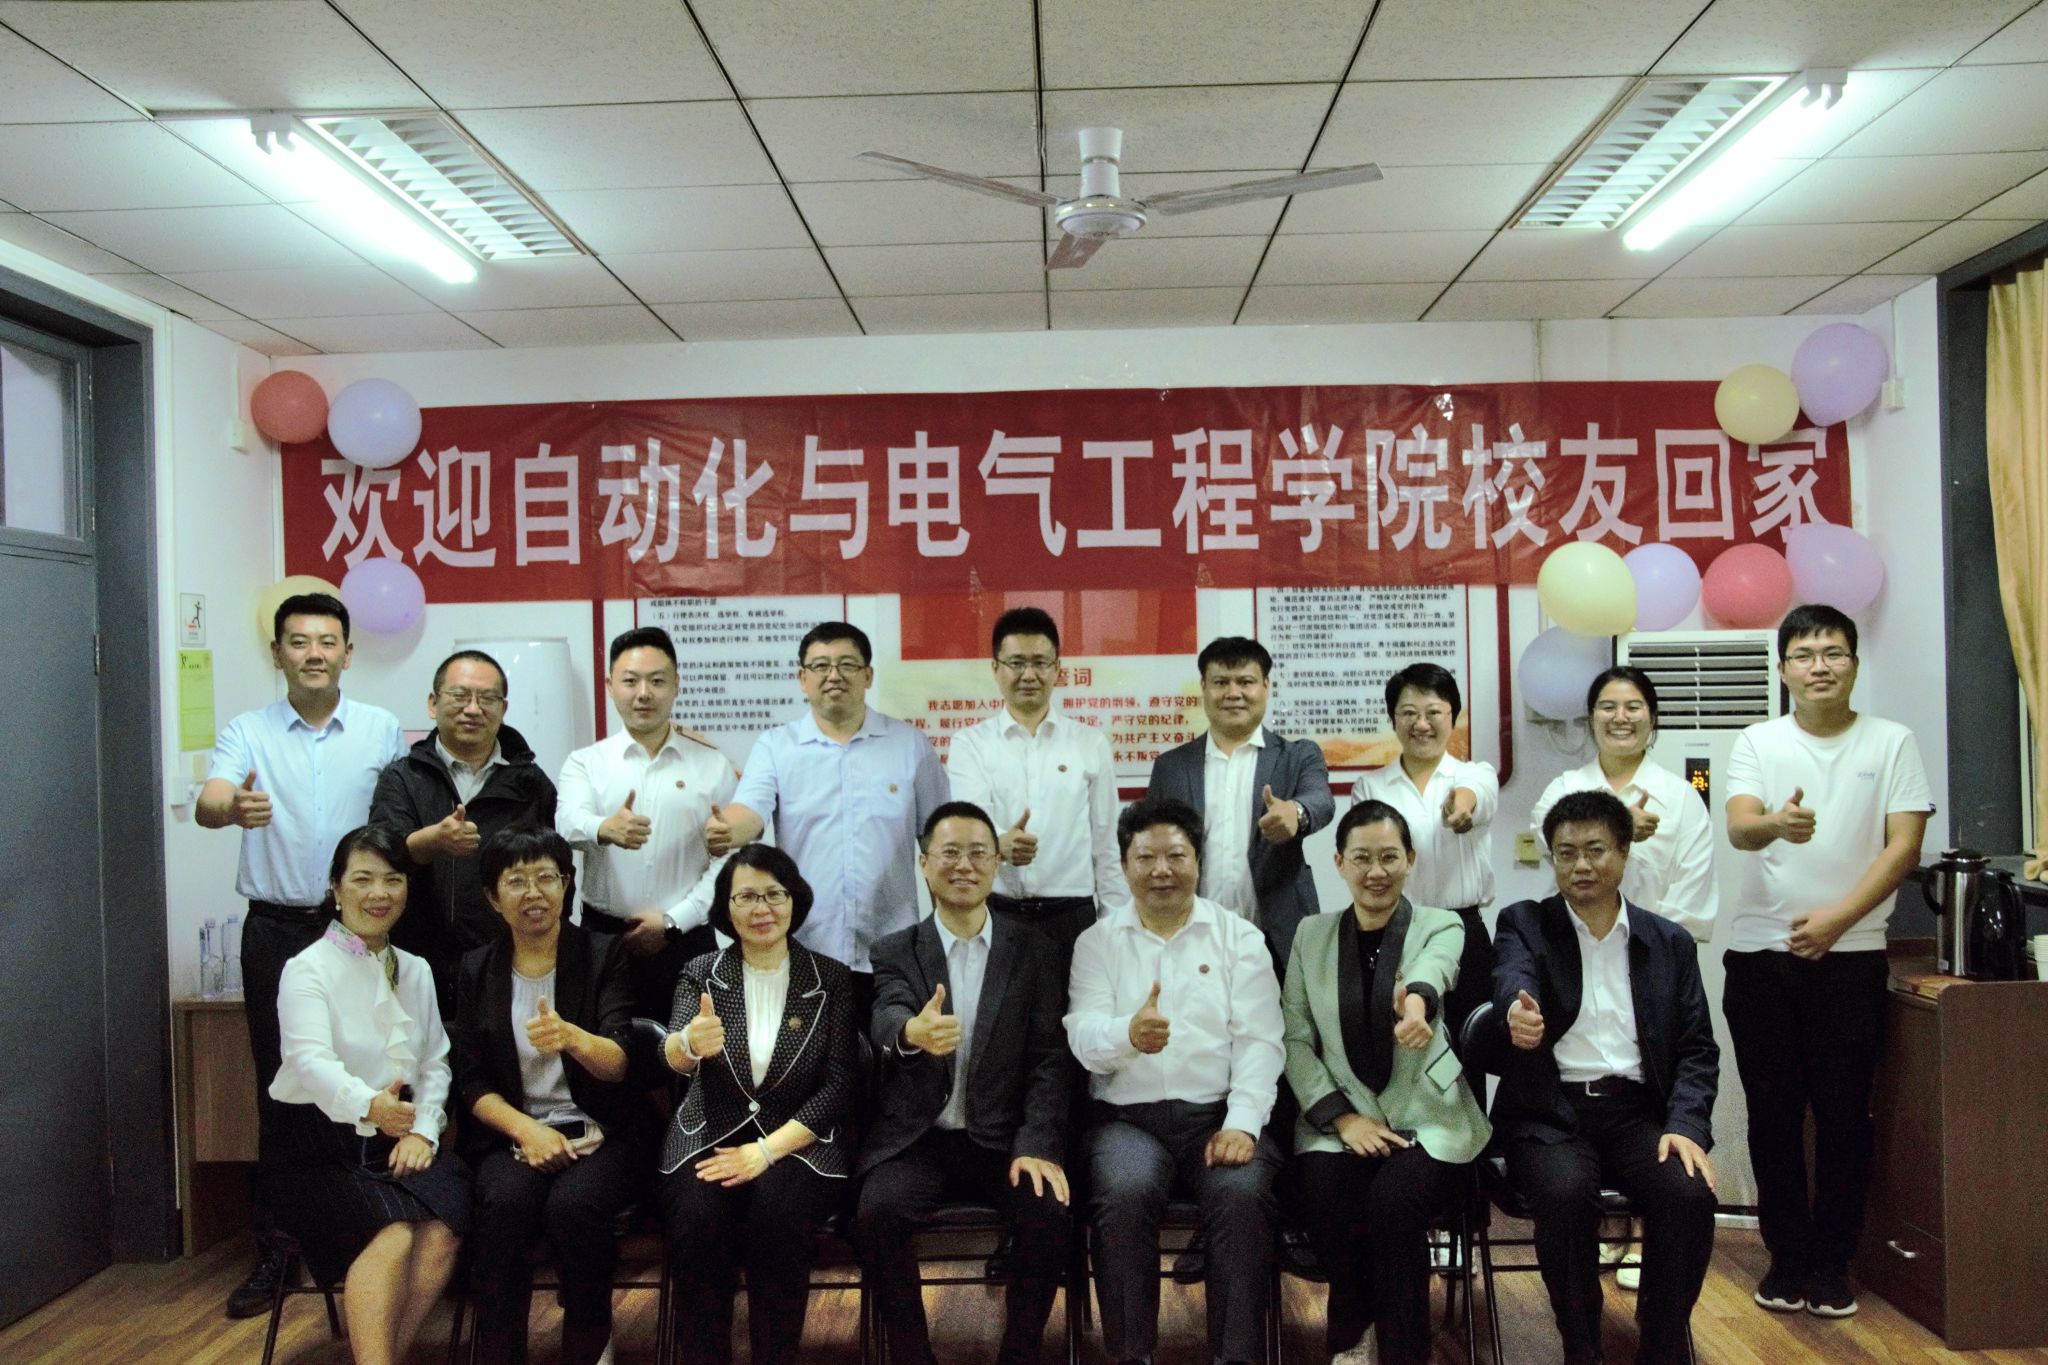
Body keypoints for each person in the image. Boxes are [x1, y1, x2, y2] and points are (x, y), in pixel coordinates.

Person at [195, 592, 407, 1317]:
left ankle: (375, 1238)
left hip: (363, 929)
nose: (313, 653)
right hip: (279, 933)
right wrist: (231, 807)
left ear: (348, 652)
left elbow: (400, 820)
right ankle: (279, 1253)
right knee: (284, 1091)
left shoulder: (380, 729)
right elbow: (210, 798)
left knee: (375, 1079)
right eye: (298, 641)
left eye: (326, 641)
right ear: (278, 652)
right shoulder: (248, 730)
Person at [1722, 604, 1932, 1319]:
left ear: (1854, 664)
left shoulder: (1892, 740)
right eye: (1805, 655)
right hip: (1762, 957)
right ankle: (1785, 1258)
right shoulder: (1758, 739)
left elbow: (1904, 846)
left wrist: (1838, 921)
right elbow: (1740, 826)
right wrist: (1776, 823)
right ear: (1782, 669)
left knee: (1846, 1117)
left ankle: (1833, 1263)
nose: (1820, 666)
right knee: (1773, 1116)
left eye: (1834, 653)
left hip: (1852, 958)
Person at [1492, 790, 1720, 1365]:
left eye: (1595, 850)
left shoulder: (1668, 941)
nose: (1581, 865)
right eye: (1565, 853)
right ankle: (1583, 1344)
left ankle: (1662, 1341)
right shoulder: (1525, 923)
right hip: (1551, 1112)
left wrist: (1686, 1125)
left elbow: (1697, 1048)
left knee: (1689, 1195)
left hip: (1638, 1113)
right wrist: (1516, 1011)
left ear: (1624, 851)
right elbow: (1512, 976)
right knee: (1565, 1194)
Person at [1065, 795, 1286, 1365]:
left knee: (1242, 1194)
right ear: (1124, 865)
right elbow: (1083, 1035)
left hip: (1218, 1116)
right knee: (1123, 1192)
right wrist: (1127, 1035)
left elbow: (1261, 1041)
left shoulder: (1240, 938)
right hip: (1127, 1122)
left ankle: (1236, 1358)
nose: (1161, 870)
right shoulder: (1096, 943)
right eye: (1146, 858)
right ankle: (1131, 1355)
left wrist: (1243, 1124)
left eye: (1176, 856)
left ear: (1198, 861)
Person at [856, 801, 1073, 1365]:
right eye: (949, 852)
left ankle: (1019, 1357)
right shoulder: (896, 949)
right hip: (920, 1139)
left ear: (997, 863)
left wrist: (1037, 1143)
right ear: (924, 864)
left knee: (1048, 1213)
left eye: (979, 853)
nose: (964, 865)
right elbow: (887, 1013)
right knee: (877, 1213)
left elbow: (1049, 1060)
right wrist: (911, 1032)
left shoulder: (1035, 950)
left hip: (1003, 1142)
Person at [1282, 800, 1491, 1365]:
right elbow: (1295, 1039)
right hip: (1341, 1117)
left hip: (1428, 1115)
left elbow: (1433, 969)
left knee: (1394, 1202)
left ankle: (1402, 1352)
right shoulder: (1310, 935)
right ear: (1339, 863)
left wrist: (1416, 1005)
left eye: (1389, 857)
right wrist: (1343, 1119)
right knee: (1324, 1193)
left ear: (1410, 860)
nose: (1376, 871)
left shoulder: (1441, 923)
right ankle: (1355, 1336)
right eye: (1362, 858)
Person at [264, 825, 470, 1365]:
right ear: (336, 889)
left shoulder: (416, 969)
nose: (379, 893)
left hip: (398, 1134)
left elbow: (435, 1062)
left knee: (444, 1229)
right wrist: (369, 1106)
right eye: (362, 879)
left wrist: (424, 1130)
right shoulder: (305, 969)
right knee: (394, 1233)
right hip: (318, 1144)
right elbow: (310, 1063)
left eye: (393, 879)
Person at [453, 826, 653, 1365]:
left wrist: (572, 1038)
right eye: (516, 881)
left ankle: (589, 1344)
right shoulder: (476, 968)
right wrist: (527, 1131)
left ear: (567, 885)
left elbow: (619, 1063)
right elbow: (471, 1081)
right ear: (493, 897)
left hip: (606, 1132)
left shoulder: (603, 954)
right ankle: (499, 1354)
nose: (534, 893)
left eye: (546, 877)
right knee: (504, 1202)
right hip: (518, 1134)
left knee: (575, 1205)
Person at [658, 844, 860, 1365]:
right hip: (710, 1135)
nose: (761, 908)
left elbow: (839, 1086)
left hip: (799, 1141)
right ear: (726, 907)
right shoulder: (700, 971)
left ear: (795, 901)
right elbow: (673, 1054)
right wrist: (688, 1044)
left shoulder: (831, 977)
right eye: (746, 896)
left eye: (774, 894)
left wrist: (766, 1152)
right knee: (697, 1220)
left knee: (779, 1213)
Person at [706, 621, 948, 1005]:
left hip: (894, 950)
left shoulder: (910, 746)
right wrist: (728, 830)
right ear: (802, 679)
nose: (833, 675)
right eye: (820, 666)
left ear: (868, 675)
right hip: (807, 947)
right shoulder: (776, 747)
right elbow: (749, 811)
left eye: (847, 664)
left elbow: (939, 845)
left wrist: (944, 941)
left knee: (893, 1041)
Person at [557, 625, 737, 1020]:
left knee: (692, 1048)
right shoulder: (586, 763)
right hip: (603, 939)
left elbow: (729, 860)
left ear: (676, 685)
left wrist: (674, 921)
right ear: (610, 686)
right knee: (605, 1047)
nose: (644, 693)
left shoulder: (712, 765)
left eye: (657, 681)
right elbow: (566, 822)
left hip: (688, 940)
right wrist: (604, 828)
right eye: (630, 681)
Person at [371, 649, 557, 1009]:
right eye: (459, 696)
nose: (473, 709)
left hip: (505, 962)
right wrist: (433, 841)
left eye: (487, 699)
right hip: (414, 959)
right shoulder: (402, 777)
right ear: (433, 703)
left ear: (503, 709)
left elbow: (552, 874)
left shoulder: (531, 784)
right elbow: (382, 858)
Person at [946, 605, 1129, 956]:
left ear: (1057, 669)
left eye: (1040, 663)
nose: (1028, 674)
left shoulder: (1090, 743)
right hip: (996, 912)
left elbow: (1106, 844)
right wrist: (998, 844)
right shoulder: (970, 744)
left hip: (1071, 916)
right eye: (1016, 663)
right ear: (996, 669)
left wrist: (1114, 924)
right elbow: (969, 826)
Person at [1146, 635, 1333, 970]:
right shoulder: (1171, 767)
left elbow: (1320, 800)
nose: (1233, 693)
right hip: (1191, 937)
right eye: (1221, 682)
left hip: (1277, 938)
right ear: (1204, 687)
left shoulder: (1297, 755)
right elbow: (1149, 842)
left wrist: (1296, 813)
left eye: (1245, 682)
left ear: (1265, 686)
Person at [1350, 662, 1499, 1049]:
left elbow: (1473, 797)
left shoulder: (1475, 774)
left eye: (1433, 712)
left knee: (1467, 1049)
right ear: (1393, 719)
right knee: (1399, 1047)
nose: (1421, 724)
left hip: (1464, 931)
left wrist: (1460, 808)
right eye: (1409, 713)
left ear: (1453, 716)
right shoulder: (1371, 787)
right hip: (1394, 932)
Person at [1530, 666, 1717, 944]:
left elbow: (1692, 896)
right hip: (1571, 946)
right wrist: (1621, 826)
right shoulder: (1565, 788)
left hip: (1655, 950)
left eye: (1633, 707)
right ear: (1592, 717)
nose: (1620, 718)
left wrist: (1641, 944)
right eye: (1608, 707)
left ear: (1652, 717)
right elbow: (1544, 838)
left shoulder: (1681, 797)